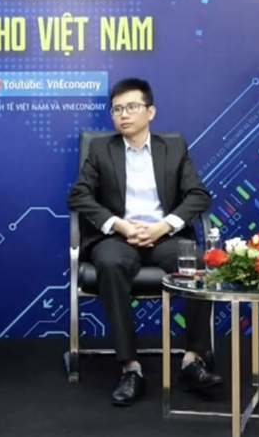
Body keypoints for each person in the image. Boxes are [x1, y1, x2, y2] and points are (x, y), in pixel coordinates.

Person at [67, 78, 222, 406]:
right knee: (110, 263)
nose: (123, 115)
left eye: (131, 107)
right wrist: (121, 226)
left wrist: (162, 227)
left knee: (198, 263)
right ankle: (130, 367)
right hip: (118, 238)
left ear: (150, 112)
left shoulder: (173, 148)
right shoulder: (101, 149)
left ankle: (193, 361)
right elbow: (79, 195)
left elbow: (198, 195)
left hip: (163, 236)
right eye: (117, 109)